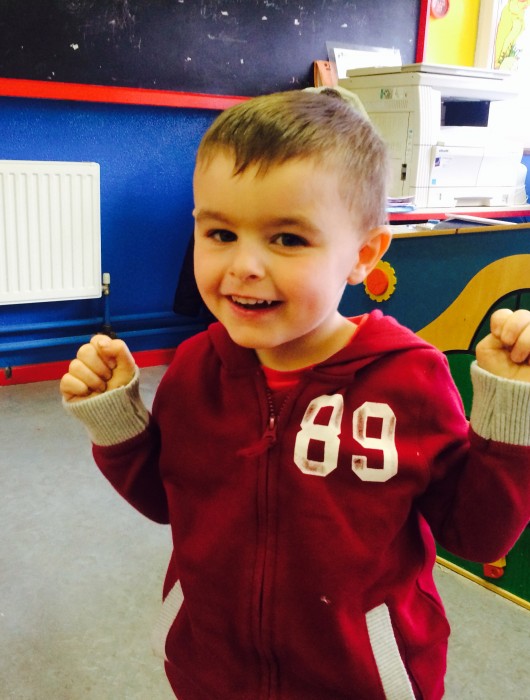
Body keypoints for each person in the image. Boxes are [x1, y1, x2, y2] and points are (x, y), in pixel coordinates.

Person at [60, 89, 530, 700]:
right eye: (221, 233)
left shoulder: (410, 379)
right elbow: (167, 501)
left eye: (287, 239)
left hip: (362, 681)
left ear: (362, 255)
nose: (244, 266)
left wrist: (511, 412)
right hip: (214, 673)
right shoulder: (199, 367)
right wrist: (117, 419)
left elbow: (478, 536)